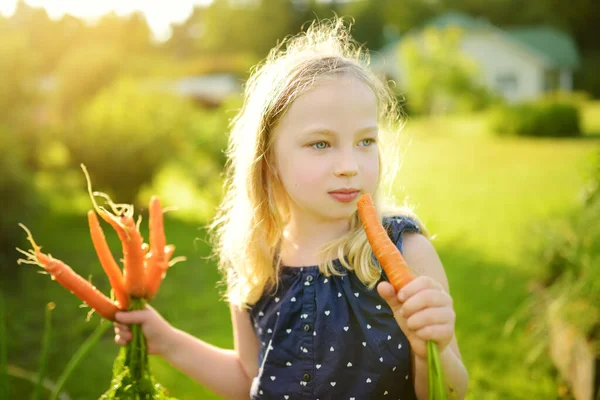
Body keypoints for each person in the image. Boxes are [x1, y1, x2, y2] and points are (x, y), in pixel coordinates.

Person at [113, 17, 469, 399]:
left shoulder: (405, 253)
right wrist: (168, 342)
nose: (350, 163)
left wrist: (432, 348)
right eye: (321, 144)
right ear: (269, 161)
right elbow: (250, 378)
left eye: (365, 141)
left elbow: (450, 393)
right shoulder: (257, 260)